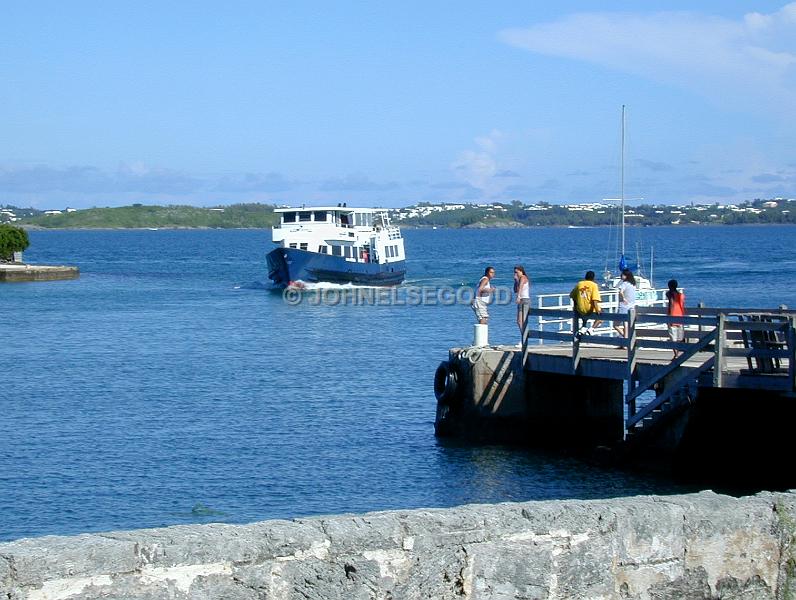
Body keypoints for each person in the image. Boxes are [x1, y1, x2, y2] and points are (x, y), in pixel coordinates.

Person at [570, 270, 602, 338]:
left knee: (584, 315)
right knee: (601, 316)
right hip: (589, 309)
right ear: (593, 278)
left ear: (585, 277)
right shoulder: (594, 285)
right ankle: (591, 329)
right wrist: (597, 310)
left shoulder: (579, 284)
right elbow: (595, 299)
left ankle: (584, 327)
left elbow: (572, 295)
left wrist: (575, 306)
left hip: (580, 309)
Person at [614, 269, 636, 338]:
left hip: (623, 306)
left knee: (615, 325)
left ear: (626, 276)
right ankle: (626, 340)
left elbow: (621, 291)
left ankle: (625, 338)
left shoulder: (624, 284)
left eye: (623, 274)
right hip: (631, 306)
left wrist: (623, 298)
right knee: (626, 324)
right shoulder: (633, 284)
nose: (621, 276)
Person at [666, 279, 686, 358]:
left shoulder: (670, 295)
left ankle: (676, 354)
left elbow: (671, 304)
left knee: (673, 337)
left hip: (672, 316)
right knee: (680, 337)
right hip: (680, 316)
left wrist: (670, 316)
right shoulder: (681, 295)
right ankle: (679, 353)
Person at [514, 265, 531, 342]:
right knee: (519, 321)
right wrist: (515, 281)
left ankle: (524, 339)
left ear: (521, 271)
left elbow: (520, 288)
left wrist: (518, 297)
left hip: (524, 299)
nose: (516, 274)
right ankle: (524, 338)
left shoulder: (523, 277)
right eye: (515, 272)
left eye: (516, 272)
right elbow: (515, 290)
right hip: (521, 300)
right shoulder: (519, 279)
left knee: (523, 320)